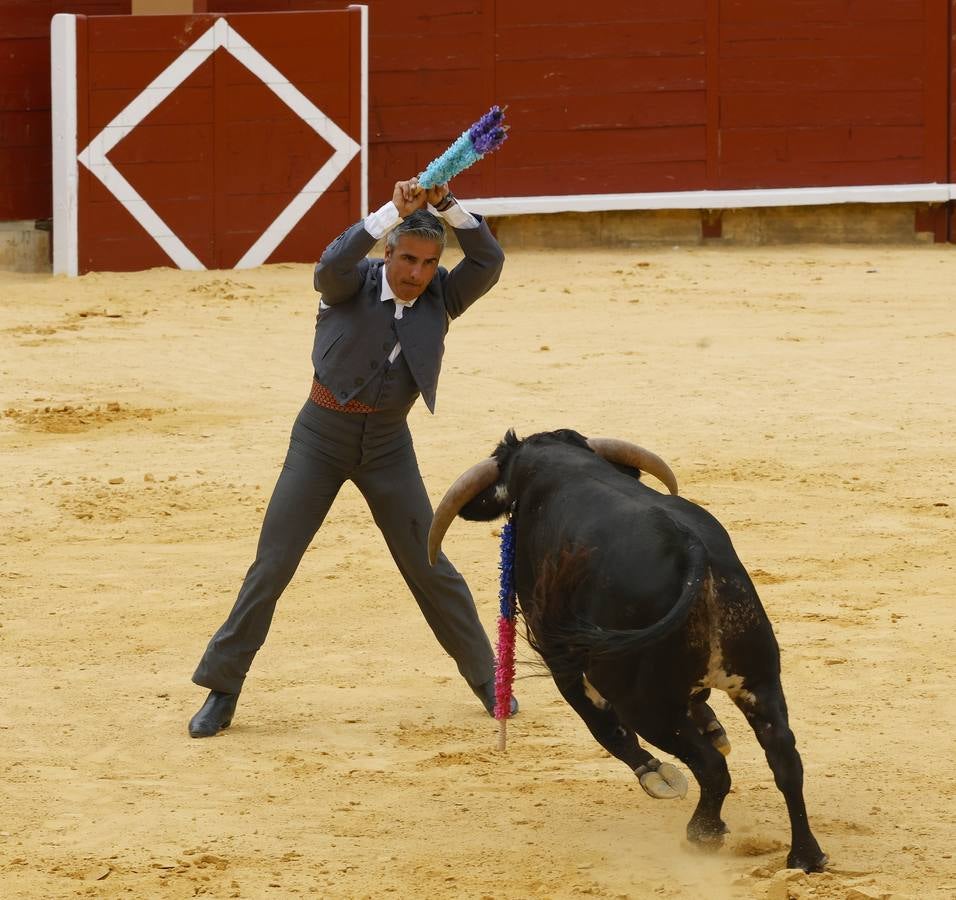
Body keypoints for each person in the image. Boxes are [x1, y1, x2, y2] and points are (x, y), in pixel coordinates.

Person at [188, 177, 516, 737]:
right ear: (387, 251)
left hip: (389, 445)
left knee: (428, 562)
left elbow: (489, 258)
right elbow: (331, 261)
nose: (416, 274)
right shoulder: (347, 283)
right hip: (320, 438)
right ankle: (223, 689)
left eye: (429, 263)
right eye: (407, 259)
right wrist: (392, 210)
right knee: (273, 565)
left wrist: (445, 206)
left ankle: (489, 681)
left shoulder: (442, 295)